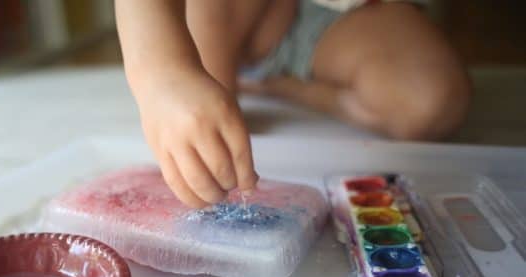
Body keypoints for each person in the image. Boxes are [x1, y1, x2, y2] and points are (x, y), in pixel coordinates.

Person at [116, 0, 471, 208]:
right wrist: (162, 72)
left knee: (431, 99)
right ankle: (236, 72)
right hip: (215, 12)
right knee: (202, 136)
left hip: (326, 11)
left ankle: (274, 84)